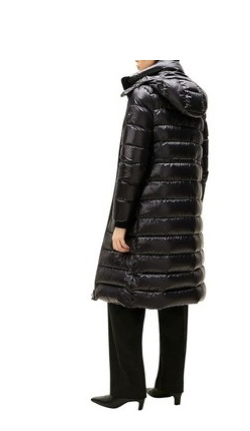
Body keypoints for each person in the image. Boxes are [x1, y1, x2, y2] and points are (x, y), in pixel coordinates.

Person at [90, 60, 209, 410]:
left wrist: (121, 222)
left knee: (121, 294)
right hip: (184, 218)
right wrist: (189, 210)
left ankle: (127, 389)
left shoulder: (144, 94)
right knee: (174, 293)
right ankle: (171, 384)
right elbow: (203, 164)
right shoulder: (195, 97)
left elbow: (131, 165)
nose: (135, 59)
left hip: (144, 216)